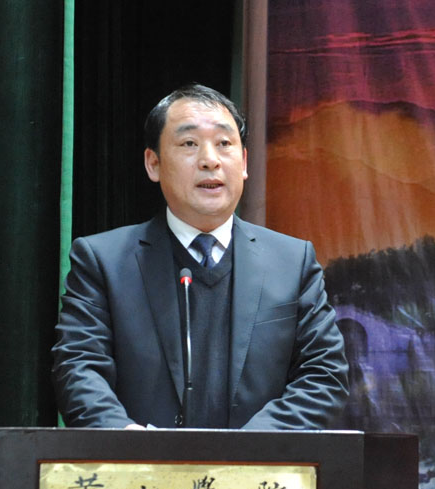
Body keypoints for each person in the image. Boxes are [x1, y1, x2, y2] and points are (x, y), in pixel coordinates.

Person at [52, 84, 348, 430]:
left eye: (224, 143)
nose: (210, 160)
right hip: (141, 463)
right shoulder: (103, 261)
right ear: (153, 163)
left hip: (257, 463)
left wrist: (250, 449)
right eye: (189, 144)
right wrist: (131, 443)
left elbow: (323, 375)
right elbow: (78, 368)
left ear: (244, 162)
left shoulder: (292, 262)